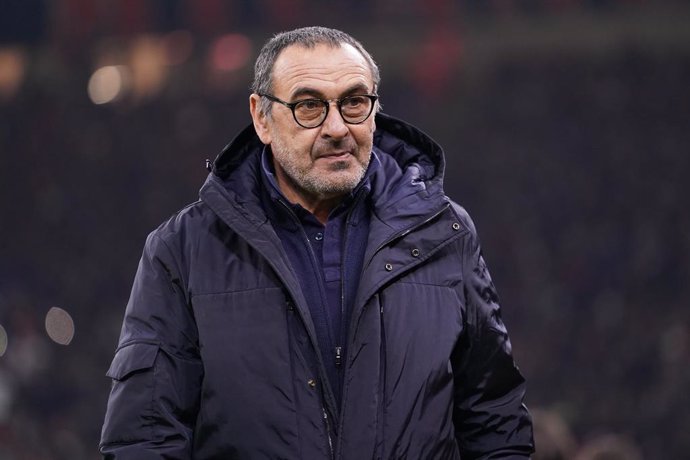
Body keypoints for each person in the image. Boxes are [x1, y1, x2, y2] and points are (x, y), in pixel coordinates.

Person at [100, 26, 534, 459]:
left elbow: (495, 420)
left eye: (354, 103)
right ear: (261, 118)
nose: (337, 128)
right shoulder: (183, 250)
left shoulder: (445, 233)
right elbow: (146, 439)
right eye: (309, 106)